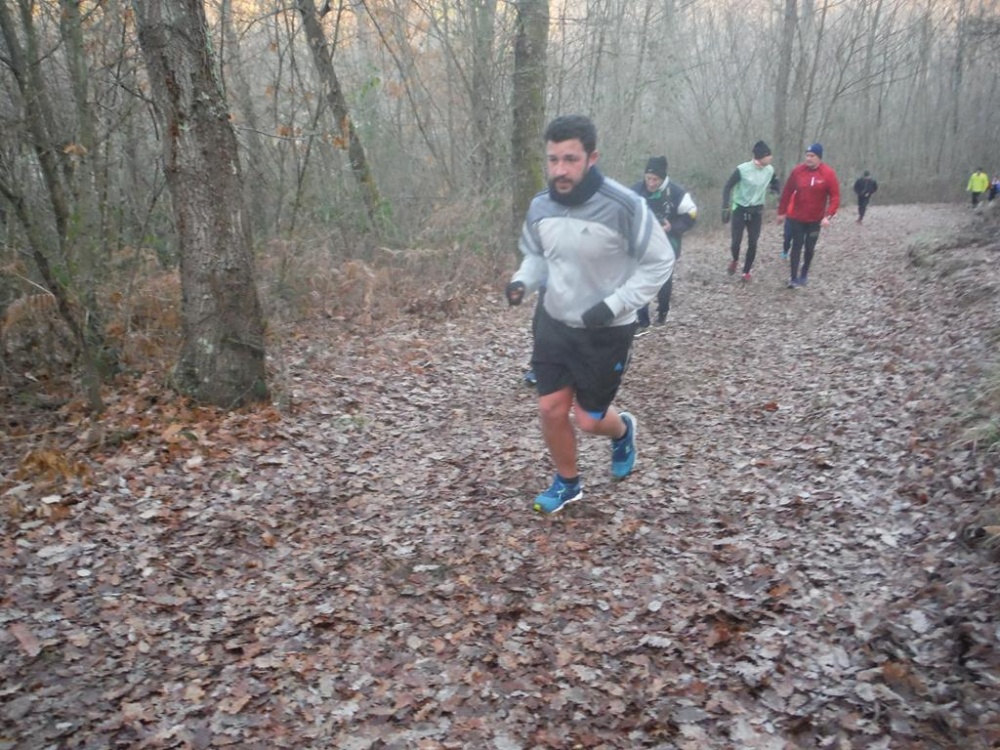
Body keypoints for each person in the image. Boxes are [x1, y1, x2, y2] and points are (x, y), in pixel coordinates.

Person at [505, 115, 674, 514]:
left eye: (570, 159)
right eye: (553, 160)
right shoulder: (541, 205)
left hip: (606, 331)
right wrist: (523, 281)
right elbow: (536, 255)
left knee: (589, 419)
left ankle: (622, 429)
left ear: (592, 158)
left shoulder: (625, 206)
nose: (559, 170)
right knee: (550, 408)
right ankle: (568, 483)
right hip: (554, 323)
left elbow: (660, 262)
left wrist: (615, 304)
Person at [631, 156, 697, 328]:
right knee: (640, 277)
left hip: (668, 242)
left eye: (655, 179)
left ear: (663, 178)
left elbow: (691, 214)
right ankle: (642, 320)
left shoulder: (676, 193)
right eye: (648, 178)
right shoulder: (636, 190)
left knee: (663, 279)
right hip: (643, 242)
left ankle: (662, 311)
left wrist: (673, 227)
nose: (651, 183)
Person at [778, 143, 840, 288]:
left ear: (819, 157)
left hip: (815, 220)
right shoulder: (797, 171)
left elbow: (835, 196)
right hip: (797, 218)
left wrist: (828, 215)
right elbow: (787, 192)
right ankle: (793, 278)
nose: (808, 158)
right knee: (796, 246)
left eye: (812, 156)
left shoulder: (828, 173)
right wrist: (781, 212)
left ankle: (804, 273)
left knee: (809, 248)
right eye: (807, 155)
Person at [721, 140, 780, 282]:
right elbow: (727, 186)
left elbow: (775, 181)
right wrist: (725, 206)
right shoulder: (742, 169)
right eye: (768, 155)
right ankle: (735, 259)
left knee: (753, 242)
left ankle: (746, 272)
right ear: (761, 156)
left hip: (756, 211)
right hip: (740, 209)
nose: (771, 158)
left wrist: (775, 190)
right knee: (736, 242)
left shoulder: (769, 169)